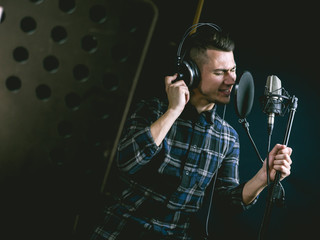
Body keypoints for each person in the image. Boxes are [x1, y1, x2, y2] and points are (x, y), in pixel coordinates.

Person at [90, 23, 292, 240]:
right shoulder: (154, 110)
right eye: (219, 72)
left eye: (233, 70)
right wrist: (173, 111)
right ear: (191, 74)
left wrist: (263, 177)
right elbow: (127, 161)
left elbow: (227, 204)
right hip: (121, 230)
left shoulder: (228, 137)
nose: (232, 80)